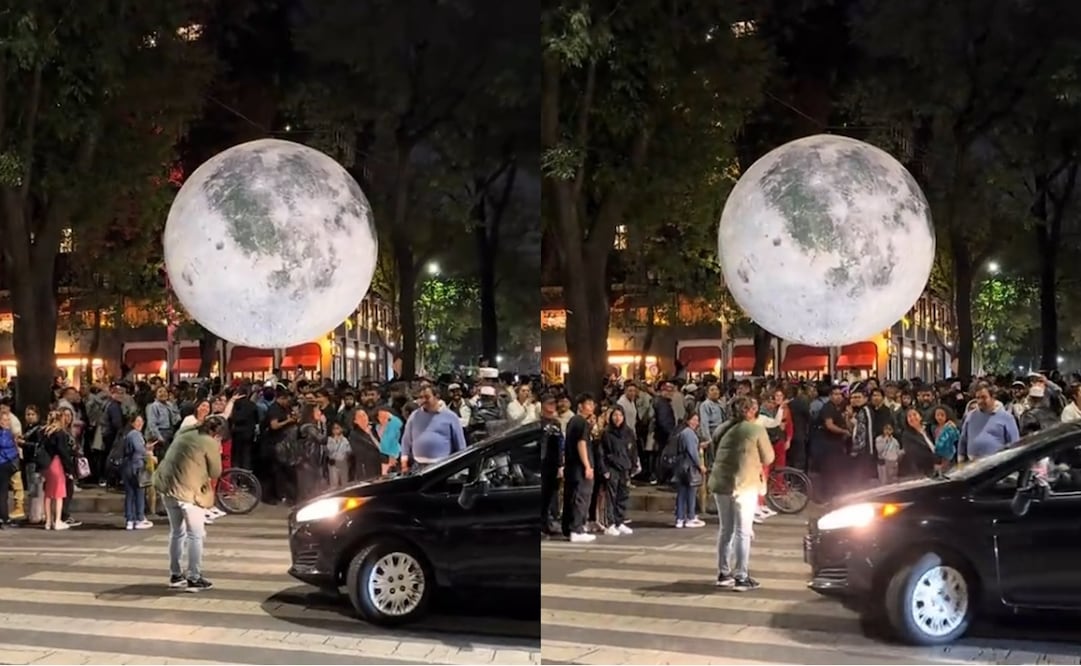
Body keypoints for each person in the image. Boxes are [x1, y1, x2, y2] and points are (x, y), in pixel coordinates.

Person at [153, 415, 225, 591]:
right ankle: (194, 576)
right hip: (188, 491)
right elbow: (216, 472)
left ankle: (176, 575)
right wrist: (217, 449)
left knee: (177, 532)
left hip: (167, 487)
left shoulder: (185, 432)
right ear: (216, 432)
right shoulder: (209, 442)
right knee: (196, 535)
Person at [709, 396, 774, 592]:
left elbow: (714, 450)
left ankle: (723, 573)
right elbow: (769, 457)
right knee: (743, 532)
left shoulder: (721, 428)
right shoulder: (755, 429)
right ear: (750, 411)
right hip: (744, 485)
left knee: (725, 529)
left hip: (721, 483)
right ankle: (742, 576)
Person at [562, 393, 596, 543]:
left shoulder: (572, 421)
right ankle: (577, 528)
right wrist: (587, 466)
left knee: (571, 497)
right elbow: (581, 444)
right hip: (579, 467)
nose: (592, 407)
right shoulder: (581, 422)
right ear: (581, 406)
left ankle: (570, 528)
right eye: (588, 404)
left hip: (571, 467)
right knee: (581, 498)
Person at [601, 406, 635, 536]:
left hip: (625, 468)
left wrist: (632, 465)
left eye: (620, 415)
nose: (617, 418)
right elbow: (602, 453)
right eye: (615, 415)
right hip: (612, 468)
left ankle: (619, 521)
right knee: (611, 496)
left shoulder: (628, 432)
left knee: (623, 495)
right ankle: (610, 523)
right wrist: (604, 469)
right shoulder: (607, 433)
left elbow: (633, 450)